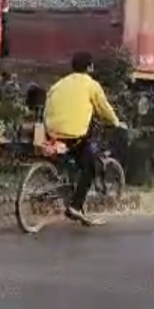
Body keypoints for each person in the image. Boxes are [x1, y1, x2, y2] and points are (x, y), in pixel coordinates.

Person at [43, 51, 126, 226]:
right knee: (90, 167)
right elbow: (104, 108)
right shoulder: (91, 85)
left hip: (51, 132)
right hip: (74, 135)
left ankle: (67, 184)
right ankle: (75, 206)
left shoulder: (59, 84)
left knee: (73, 157)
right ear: (89, 67)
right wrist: (116, 123)